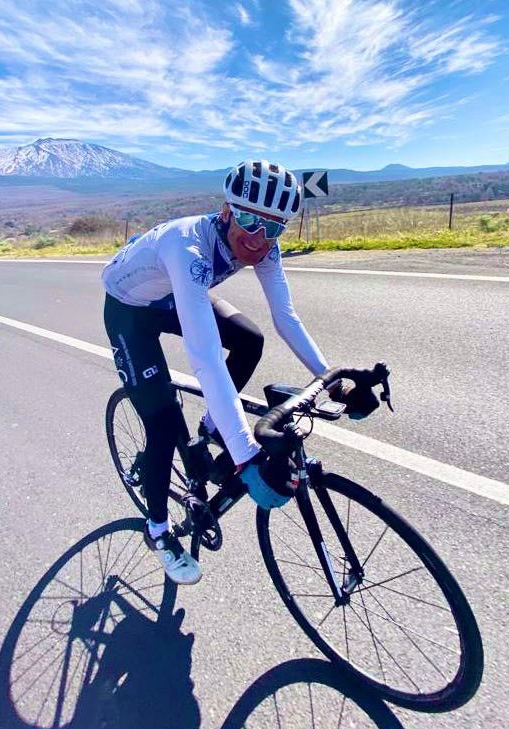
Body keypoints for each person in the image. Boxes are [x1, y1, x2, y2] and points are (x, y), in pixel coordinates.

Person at [102, 160, 337, 586]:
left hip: (172, 295)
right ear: (226, 211)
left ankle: (210, 428)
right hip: (129, 311)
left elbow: (285, 317)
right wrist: (246, 453)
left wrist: (330, 376)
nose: (257, 238)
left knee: (251, 339)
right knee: (161, 424)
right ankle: (157, 532)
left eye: (274, 227)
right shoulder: (188, 247)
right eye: (248, 219)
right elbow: (206, 357)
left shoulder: (266, 245)